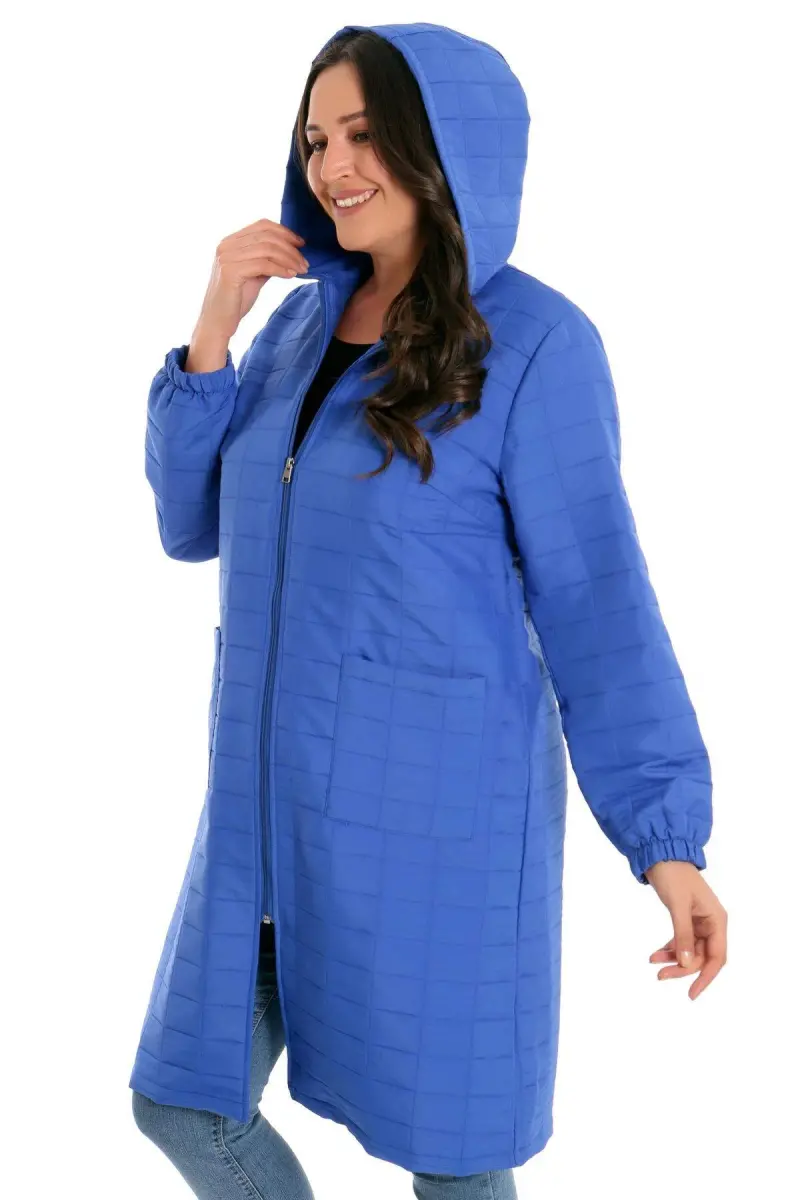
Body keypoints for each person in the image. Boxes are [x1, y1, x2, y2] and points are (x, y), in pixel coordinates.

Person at [130, 20, 727, 1200]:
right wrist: (211, 333)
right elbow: (190, 525)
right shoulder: (296, 325)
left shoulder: (536, 345)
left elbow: (598, 605)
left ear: (443, 142)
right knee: (185, 1106)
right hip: (265, 816)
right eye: (314, 140)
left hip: (439, 829)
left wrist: (664, 841)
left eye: (362, 133)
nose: (332, 166)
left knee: (452, 1165)